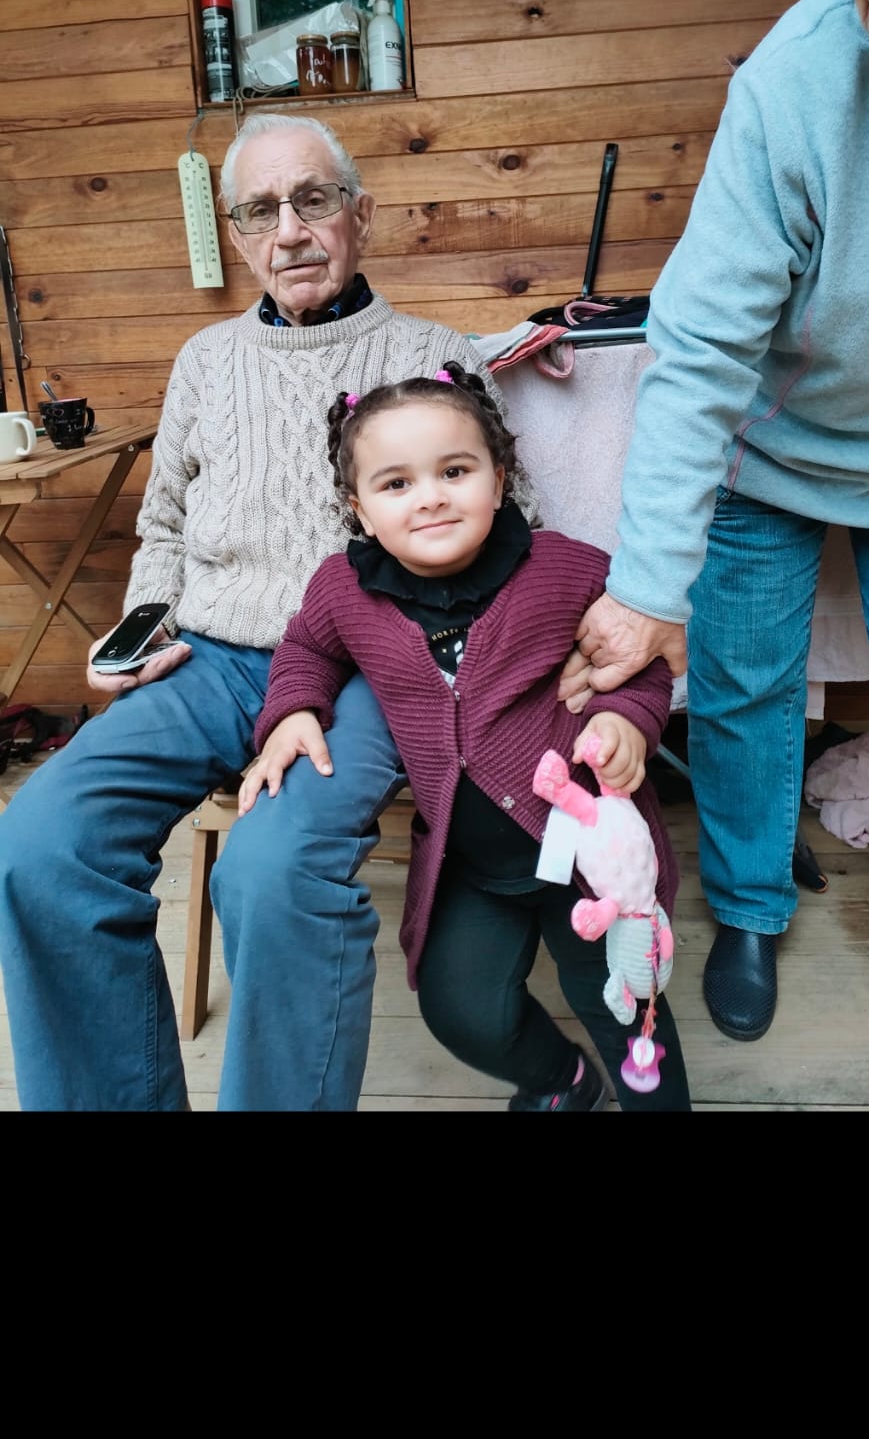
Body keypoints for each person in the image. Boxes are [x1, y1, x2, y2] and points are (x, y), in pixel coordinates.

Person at [0, 111, 520, 1112]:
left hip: (371, 665)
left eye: (313, 199)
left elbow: (509, 517)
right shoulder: (205, 359)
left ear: (361, 215)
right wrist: (146, 626)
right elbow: (162, 525)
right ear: (237, 236)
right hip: (209, 658)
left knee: (271, 873)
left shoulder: (433, 351)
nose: (289, 231)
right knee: (43, 843)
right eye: (260, 210)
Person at [558, 0, 869, 1045]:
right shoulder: (794, 81)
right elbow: (702, 346)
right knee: (741, 684)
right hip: (771, 443)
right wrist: (647, 584)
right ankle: (751, 907)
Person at [239, 363, 692, 1112]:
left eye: (454, 471)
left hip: (588, 858)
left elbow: (636, 661)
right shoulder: (342, 591)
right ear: (359, 509)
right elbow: (307, 650)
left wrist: (627, 720)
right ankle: (562, 1080)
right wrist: (292, 710)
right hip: (470, 862)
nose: (430, 497)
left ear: (499, 478)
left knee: (623, 1003)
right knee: (460, 1008)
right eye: (396, 483)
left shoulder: (565, 568)